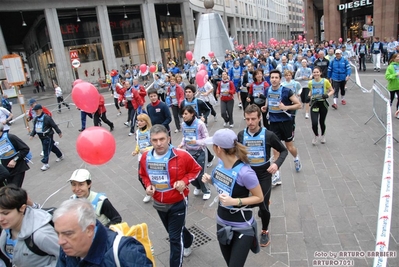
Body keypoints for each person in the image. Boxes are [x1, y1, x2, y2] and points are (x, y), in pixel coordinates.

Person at [139, 124, 201, 267]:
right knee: (174, 231)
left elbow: (196, 170)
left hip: (178, 202)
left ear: (168, 139)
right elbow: (143, 174)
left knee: (173, 238)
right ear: (150, 141)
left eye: (162, 139)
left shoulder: (182, 155)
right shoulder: (145, 157)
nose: (159, 143)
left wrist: (184, 181)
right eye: (154, 140)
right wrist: (148, 185)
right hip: (159, 203)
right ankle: (188, 238)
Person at [201, 129, 264, 266]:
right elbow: (224, 185)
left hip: (242, 226)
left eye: (213, 145)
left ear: (218, 148)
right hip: (222, 222)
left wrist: (235, 201)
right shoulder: (221, 163)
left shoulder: (246, 173)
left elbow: (259, 197)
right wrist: (210, 180)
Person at [237, 104, 288, 247]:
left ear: (260, 118)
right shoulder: (241, 135)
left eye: (253, 119)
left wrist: (276, 164)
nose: (250, 122)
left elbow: (283, 151)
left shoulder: (268, 135)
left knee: (263, 207)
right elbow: (236, 153)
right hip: (246, 174)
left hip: (264, 174)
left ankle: (265, 231)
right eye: (247, 119)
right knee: (244, 201)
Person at [53, 198, 152, 267]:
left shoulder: (126, 253)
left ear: (89, 230)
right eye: (58, 233)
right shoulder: (67, 250)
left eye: (68, 234)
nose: (60, 242)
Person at [0, 185, 59, 267]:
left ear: (22, 208)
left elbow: (67, 258)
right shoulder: (7, 228)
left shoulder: (41, 235)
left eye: (5, 213)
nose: (0, 219)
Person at [261, 70, 302, 182]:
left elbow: (299, 105)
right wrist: (265, 108)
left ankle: (296, 158)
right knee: (275, 148)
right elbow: (268, 102)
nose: (274, 79)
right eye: (272, 77)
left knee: (289, 147)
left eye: (276, 78)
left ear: (280, 79)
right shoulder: (267, 90)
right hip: (273, 123)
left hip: (286, 123)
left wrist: (286, 108)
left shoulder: (286, 91)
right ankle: (277, 175)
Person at [178, 105, 211, 200]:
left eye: (185, 114)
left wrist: (197, 142)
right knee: (189, 173)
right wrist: (182, 144)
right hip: (189, 152)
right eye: (182, 114)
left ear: (192, 114)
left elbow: (206, 138)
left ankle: (206, 190)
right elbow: (185, 136)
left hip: (200, 152)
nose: (183, 116)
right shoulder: (183, 125)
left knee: (201, 173)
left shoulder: (200, 124)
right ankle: (198, 186)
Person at [29, 104, 63, 171]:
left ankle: (45, 164)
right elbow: (35, 128)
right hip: (41, 137)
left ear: (41, 110)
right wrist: (32, 135)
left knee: (46, 149)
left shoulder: (47, 118)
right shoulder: (36, 119)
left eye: (37, 111)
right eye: (35, 111)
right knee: (52, 147)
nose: (36, 112)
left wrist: (59, 132)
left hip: (48, 136)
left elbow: (54, 125)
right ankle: (60, 155)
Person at [308, 67, 334, 145]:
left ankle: (323, 135)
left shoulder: (325, 81)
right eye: (314, 72)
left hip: (323, 104)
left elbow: (332, 90)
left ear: (320, 73)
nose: (316, 74)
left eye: (317, 72)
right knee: (314, 122)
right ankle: (316, 135)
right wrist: (309, 96)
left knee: (322, 121)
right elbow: (311, 91)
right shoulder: (310, 82)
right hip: (314, 104)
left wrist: (327, 95)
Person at [132, 114, 153, 203]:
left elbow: (154, 145)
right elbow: (138, 144)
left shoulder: (150, 131)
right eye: (138, 121)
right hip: (141, 158)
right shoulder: (137, 132)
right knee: (141, 177)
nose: (139, 123)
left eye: (141, 121)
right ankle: (149, 192)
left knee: (152, 176)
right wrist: (136, 151)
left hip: (150, 157)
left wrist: (147, 149)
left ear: (146, 122)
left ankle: (157, 192)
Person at [385, 53, 399, 119]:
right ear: (393, 58)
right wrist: (395, 75)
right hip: (392, 86)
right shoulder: (390, 67)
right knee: (391, 99)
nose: (398, 58)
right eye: (397, 57)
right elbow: (387, 77)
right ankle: (388, 111)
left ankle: (397, 112)